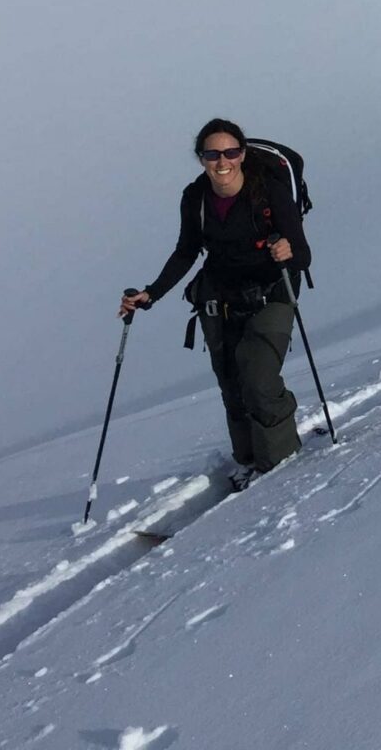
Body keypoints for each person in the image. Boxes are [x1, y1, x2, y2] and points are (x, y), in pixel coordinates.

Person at [120, 118, 310, 488]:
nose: (222, 161)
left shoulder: (268, 191)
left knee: (258, 376)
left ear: (242, 154)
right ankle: (247, 460)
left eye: (230, 152)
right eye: (212, 154)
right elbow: (187, 251)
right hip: (219, 297)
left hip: (273, 290)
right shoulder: (195, 197)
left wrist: (287, 252)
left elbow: (302, 255)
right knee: (231, 382)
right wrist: (151, 292)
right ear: (201, 157)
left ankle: (279, 463)